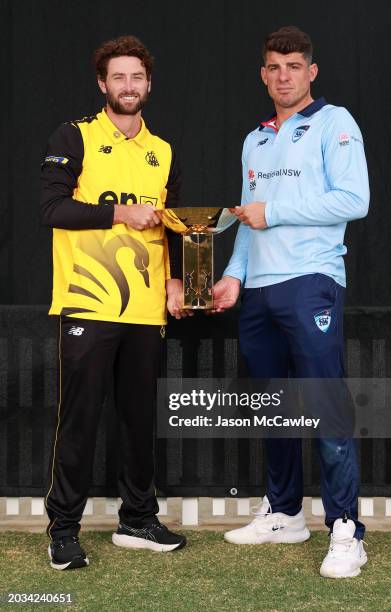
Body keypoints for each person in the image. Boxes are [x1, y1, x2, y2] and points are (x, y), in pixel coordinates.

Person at [213, 26, 369, 579]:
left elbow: (355, 199)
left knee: (325, 404)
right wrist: (232, 276)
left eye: (294, 66)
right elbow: (246, 222)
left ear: (311, 71)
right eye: (274, 67)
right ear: (263, 73)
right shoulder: (253, 139)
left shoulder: (334, 122)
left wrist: (274, 213)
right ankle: (283, 513)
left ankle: (346, 529)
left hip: (311, 281)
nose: (284, 76)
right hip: (259, 291)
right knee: (275, 407)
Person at [40, 35, 189, 570]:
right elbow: (53, 208)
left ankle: (137, 518)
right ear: (103, 84)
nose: (129, 86)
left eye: (137, 77)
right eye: (118, 77)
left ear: (149, 84)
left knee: (136, 418)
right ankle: (62, 528)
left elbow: (171, 226)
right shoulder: (73, 136)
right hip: (88, 301)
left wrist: (176, 282)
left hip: (147, 310)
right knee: (78, 419)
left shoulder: (163, 150)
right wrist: (120, 214)